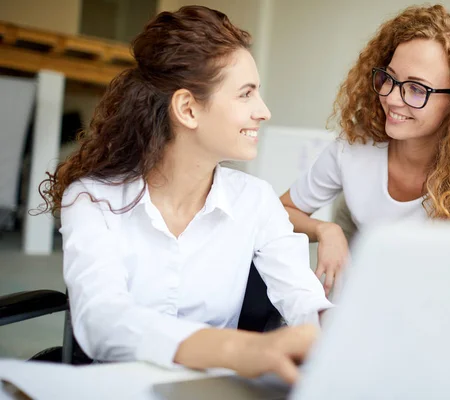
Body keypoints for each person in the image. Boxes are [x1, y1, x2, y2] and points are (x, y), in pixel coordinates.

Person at [38, 6, 331, 384]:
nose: (264, 111)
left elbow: (304, 300)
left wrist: (344, 328)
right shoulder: (92, 199)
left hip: (215, 390)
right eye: (246, 94)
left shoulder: (255, 200)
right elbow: (101, 320)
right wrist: (238, 350)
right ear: (188, 109)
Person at [280, 4, 450, 295]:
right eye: (389, 78)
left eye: (416, 88)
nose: (392, 98)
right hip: (365, 298)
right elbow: (279, 211)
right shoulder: (355, 147)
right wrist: (325, 230)